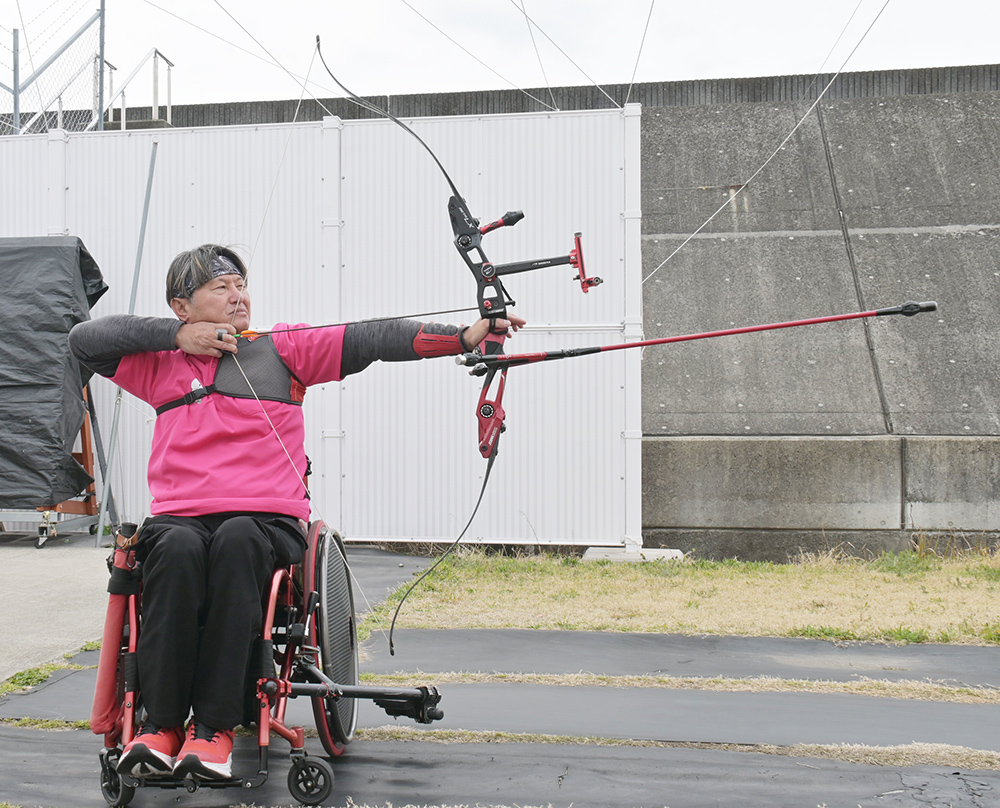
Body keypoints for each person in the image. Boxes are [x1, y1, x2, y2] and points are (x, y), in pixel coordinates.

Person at [69, 244, 523, 781]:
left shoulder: (282, 349)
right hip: (181, 520)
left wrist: (467, 336)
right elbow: (83, 341)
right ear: (182, 306)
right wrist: (175, 338)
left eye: (241, 284)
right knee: (174, 547)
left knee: (237, 538)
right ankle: (161, 727)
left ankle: (213, 729)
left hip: (265, 521)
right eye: (221, 288)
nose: (238, 296)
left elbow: (369, 337)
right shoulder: (159, 365)